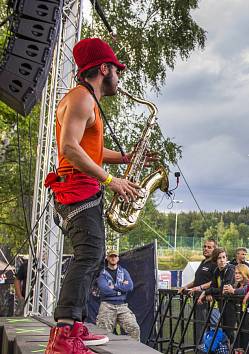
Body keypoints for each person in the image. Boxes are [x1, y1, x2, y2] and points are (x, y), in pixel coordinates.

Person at [45, 37, 143, 354]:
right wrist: (112, 180)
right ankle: (64, 334)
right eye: (117, 70)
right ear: (104, 68)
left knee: (94, 257)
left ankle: (76, 327)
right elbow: (70, 148)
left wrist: (126, 157)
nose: (120, 76)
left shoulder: (86, 100)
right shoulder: (81, 99)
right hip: (77, 189)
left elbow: (92, 150)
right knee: (89, 256)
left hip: (82, 188)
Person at [95, 250, 140, 341]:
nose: (113, 258)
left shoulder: (123, 272)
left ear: (118, 258)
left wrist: (114, 287)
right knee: (103, 334)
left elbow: (130, 287)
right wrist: (121, 289)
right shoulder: (103, 273)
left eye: (115, 256)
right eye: (111, 256)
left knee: (134, 328)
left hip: (122, 306)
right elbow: (104, 290)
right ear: (107, 258)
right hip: (107, 306)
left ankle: (133, 350)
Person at [179, 238, 217, 340]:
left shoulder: (215, 263)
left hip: (208, 301)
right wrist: (185, 287)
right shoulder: (203, 262)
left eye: (209, 247)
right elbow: (196, 280)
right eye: (204, 246)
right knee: (198, 327)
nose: (206, 249)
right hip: (198, 300)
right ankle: (199, 348)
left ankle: (205, 349)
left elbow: (214, 282)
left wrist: (200, 288)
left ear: (215, 249)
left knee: (206, 329)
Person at [202, 248, 235, 327]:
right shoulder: (217, 270)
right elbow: (213, 286)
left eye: (224, 257)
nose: (222, 260)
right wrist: (209, 292)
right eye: (219, 258)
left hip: (233, 303)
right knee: (224, 329)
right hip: (222, 302)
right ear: (215, 260)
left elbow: (225, 289)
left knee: (230, 330)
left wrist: (207, 292)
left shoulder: (230, 269)